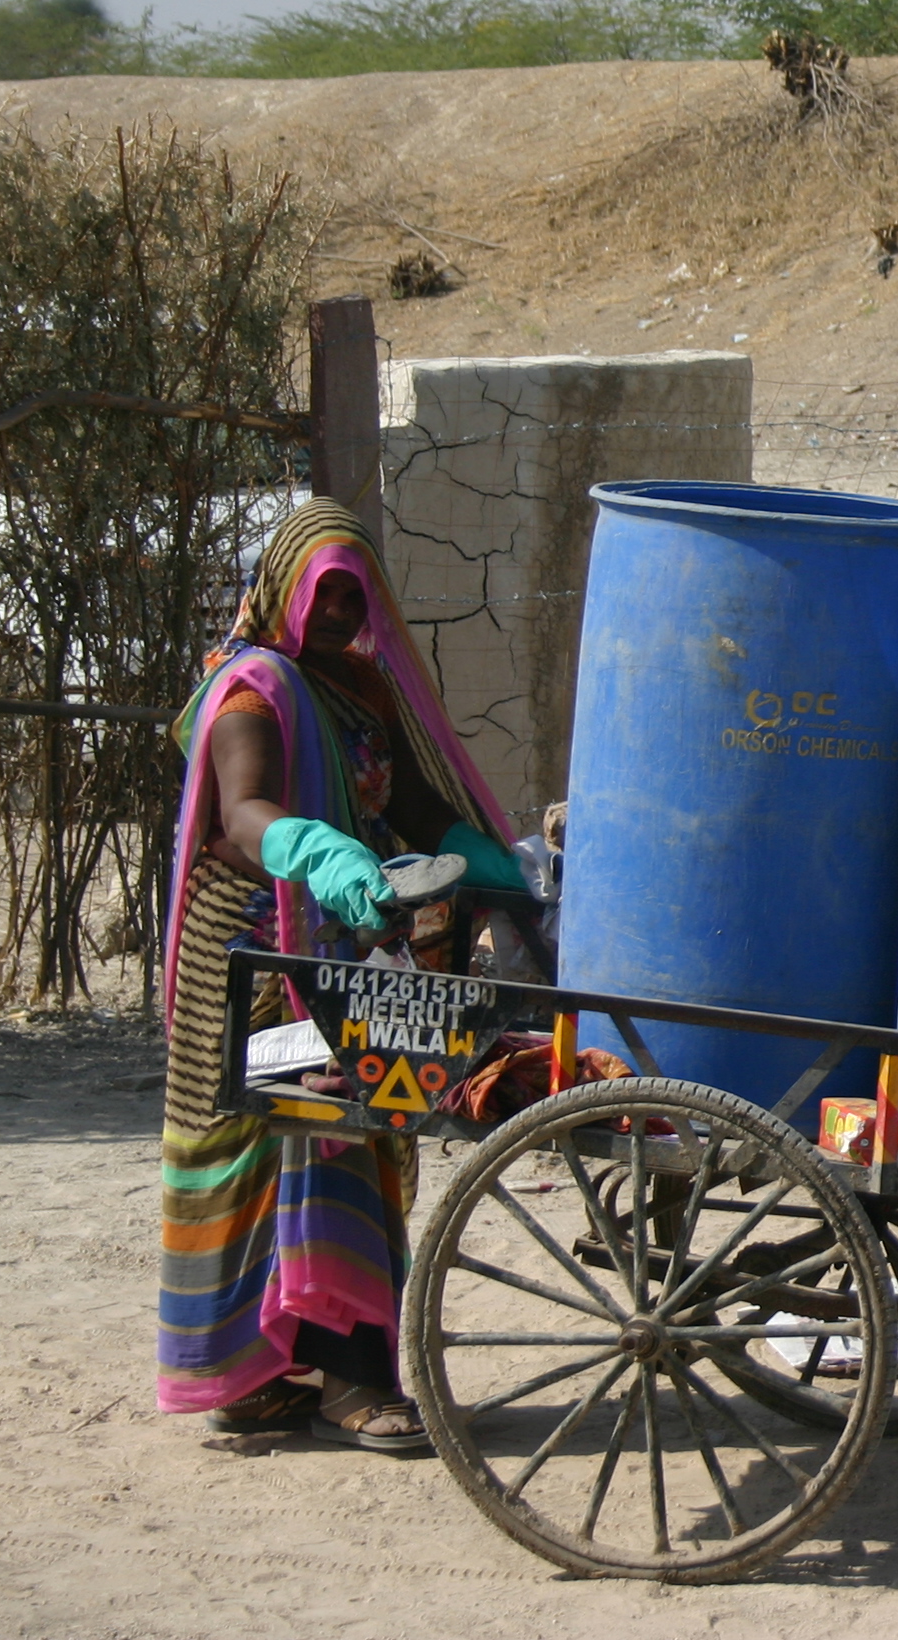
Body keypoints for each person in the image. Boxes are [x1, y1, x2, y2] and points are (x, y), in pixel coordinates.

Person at [156, 498, 526, 1450]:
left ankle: (326, 1369)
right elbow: (242, 816)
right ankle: (304, 1380)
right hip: (247, 947)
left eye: (353, 596)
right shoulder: (248, 691)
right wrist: (317, 850)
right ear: (282, 588)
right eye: (323, 595)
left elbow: (403, 796)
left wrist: (470, 851)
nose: (336, 614)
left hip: (339, 940)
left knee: (346, 1125)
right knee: (281, 1132)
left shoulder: (362, 689)